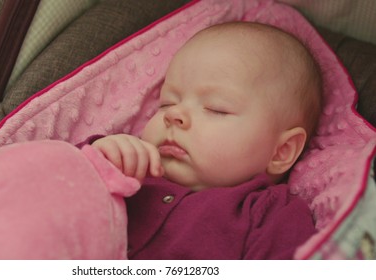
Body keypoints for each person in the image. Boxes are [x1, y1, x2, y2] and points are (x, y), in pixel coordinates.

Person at [89, 22, 322, 259]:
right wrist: (97, 159)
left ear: (281, 151)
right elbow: (60, 193)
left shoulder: (271, 216)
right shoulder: (130, 168)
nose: (173, 115)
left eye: (216, 109)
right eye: (167, 103)